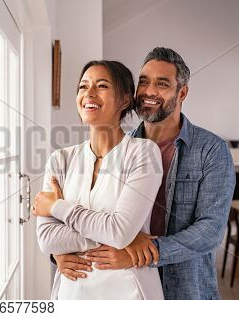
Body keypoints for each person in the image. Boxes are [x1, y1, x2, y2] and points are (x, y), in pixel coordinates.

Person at [52, 48, 236, 300]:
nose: (149, 91)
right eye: (143, 82)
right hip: (124, 284)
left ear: (182, 92)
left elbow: (211, 230)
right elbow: (93, 215)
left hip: (185, 287)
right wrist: (59, 252)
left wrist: (148, 251)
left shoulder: (211, 150)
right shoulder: (119, 149)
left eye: (162, 84)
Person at [33, 60, 164, 299]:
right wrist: (119, 235)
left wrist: (56, 207)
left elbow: (119, 231)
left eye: (101, 86)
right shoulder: (60, 160)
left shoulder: (144, 153)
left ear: (124, 100)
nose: (89, 94)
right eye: (83, 87)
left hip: (128, 292)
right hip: (72, 293)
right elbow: (47, 239)